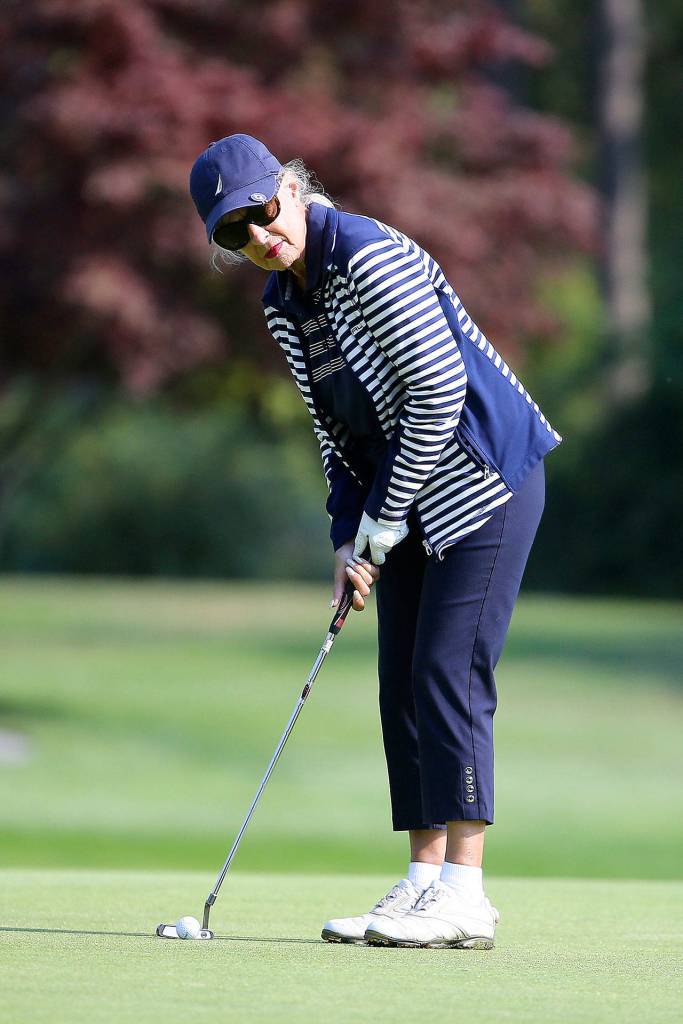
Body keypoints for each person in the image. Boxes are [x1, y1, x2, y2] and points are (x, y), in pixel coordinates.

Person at [190, 134, 559, 949]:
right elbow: (335, 434)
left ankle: (467, 892)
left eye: (262, 209)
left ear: (290, 187)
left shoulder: (365, 254)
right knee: (399, 682)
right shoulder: (283, 302)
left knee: (446, 672)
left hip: (481, 480)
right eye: (232, 231)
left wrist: (382, 520)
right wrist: (344, 536)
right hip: (406, 490)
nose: (257, 233)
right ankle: (423, 884)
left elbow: (435, 391)